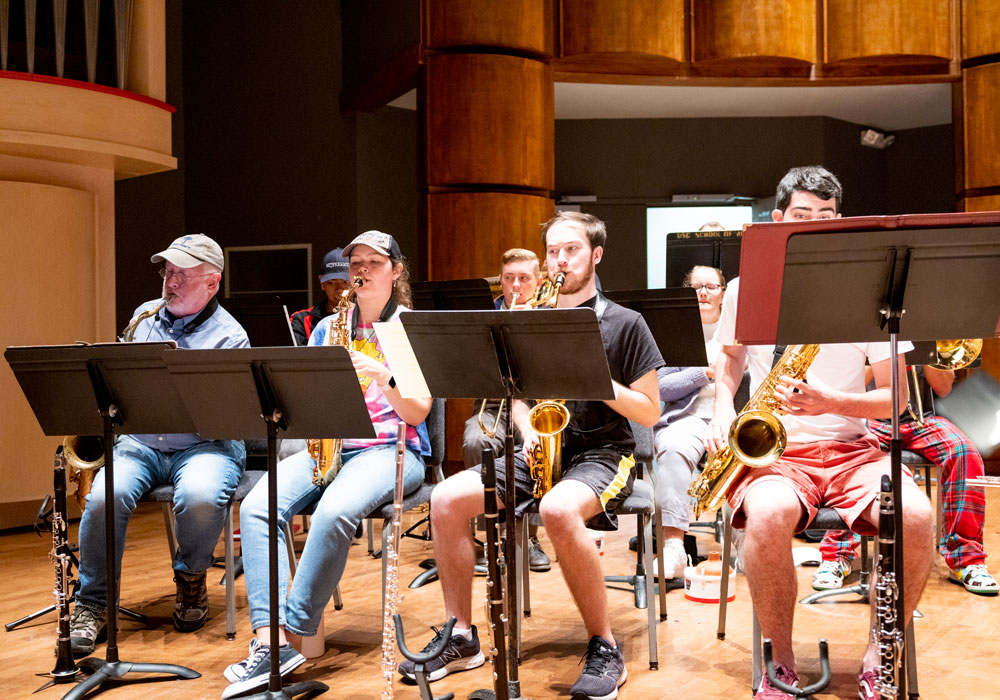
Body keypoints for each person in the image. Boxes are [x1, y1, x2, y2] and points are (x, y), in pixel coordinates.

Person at [400, 211, 663, 700]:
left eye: (573, 250)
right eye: (554, 251)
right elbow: (518, 397)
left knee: (557, 509)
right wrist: (526, 431)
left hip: (603, 451)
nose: (561, 260)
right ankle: (461, 635)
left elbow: (649, 412)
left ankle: (604, 645)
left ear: (596, 255)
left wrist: (597, 381)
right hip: (540, 447)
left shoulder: (627, 324)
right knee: (446, 499)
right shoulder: (531, 321)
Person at [704, 166, 934, 700]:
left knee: (918, 515)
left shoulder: (873, 291)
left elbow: (897, 397)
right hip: (780, 452)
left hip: (855, 450)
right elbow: (731, 360)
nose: (814, 226)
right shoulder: (746, 288)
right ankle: (780, 665)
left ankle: (883, 650)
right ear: (778, 220)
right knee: (765, 515)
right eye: (802, 216)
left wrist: (834, 401)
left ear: (839, 221)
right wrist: (720, 407)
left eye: (826, 217)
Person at [223, 230, 432, 698]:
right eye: (354, 261)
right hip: (332, 444)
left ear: (395, 272)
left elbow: (418, 411)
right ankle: (269, 639)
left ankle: (294, 633)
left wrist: (384, 376)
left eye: (373, 262)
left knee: (334, 511)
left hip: (392, 450)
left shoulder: (406, 330)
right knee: (258, 506)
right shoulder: (327, 328)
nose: (360, 270)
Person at [69, 234, 249, 656]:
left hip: (207, 444)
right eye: (167, 272)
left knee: (201, 495)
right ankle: (93, 604)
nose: (169, 282)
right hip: (143, 442)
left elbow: (230, 416)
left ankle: (190, 581)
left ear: (212, 283)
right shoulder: (143, 318)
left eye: (181, 275)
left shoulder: (231, 337)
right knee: (103, 497)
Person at [813, 364, 997, 595]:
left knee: (964, 453)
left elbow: (944, 387)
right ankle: (836, 556)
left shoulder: (928, 331)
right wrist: (886, 358)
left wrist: (923, 354)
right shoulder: (865, 333)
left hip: (922, 420)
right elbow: (852, 384)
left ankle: (967, 560)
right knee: (851, 455)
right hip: (872, 420)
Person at [462, 248, 550, 571]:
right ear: (500, 281)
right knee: (475, 441)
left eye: (524, 278)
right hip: (492, 407)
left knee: (542, 446)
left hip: (534, 408)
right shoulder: (483, 317)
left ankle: (528, 536)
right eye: (508, 278)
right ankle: (492, 537)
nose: (515, 285)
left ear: (538, 282)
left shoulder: (547, 316)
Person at [652, 265, 728, 578]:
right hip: (689, 418)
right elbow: (661, 385)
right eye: (696, 287)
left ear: (723, 292)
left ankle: (751, 543)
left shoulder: (739, 327)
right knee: (672, 447)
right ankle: (673, 547)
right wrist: (706, 372)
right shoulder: (677, 331)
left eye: (711, 286)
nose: (704, 293)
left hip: (734, 416)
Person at [289, 247, 350, 346]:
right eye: (331, 283)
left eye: (345, 282)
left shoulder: (369, 319)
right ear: (322, 283)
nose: (339, 289)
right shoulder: (302, 320)